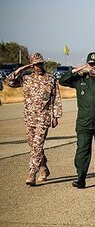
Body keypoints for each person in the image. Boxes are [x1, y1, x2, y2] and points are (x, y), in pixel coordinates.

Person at [6, 53, 62, 185]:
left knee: (37, 144)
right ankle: (44, 168)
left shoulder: (50, 79)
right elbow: (9, 82)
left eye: (40, 63)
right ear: (32, 65)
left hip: (44, 117)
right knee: (33, 146)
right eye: (36, 64)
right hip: (30, 117)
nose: (39, 66)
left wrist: (56, 115)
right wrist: (21, 69)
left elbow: (56, 98)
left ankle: (32, 173)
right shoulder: (26, 78)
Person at [59, 52, 95, 188]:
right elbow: (62, 81)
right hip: (84, 122)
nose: (93, 66)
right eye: (91, 64)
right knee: (83, 151)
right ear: (87, 64)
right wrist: (76, 70)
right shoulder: (79, 79)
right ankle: (81, 177)